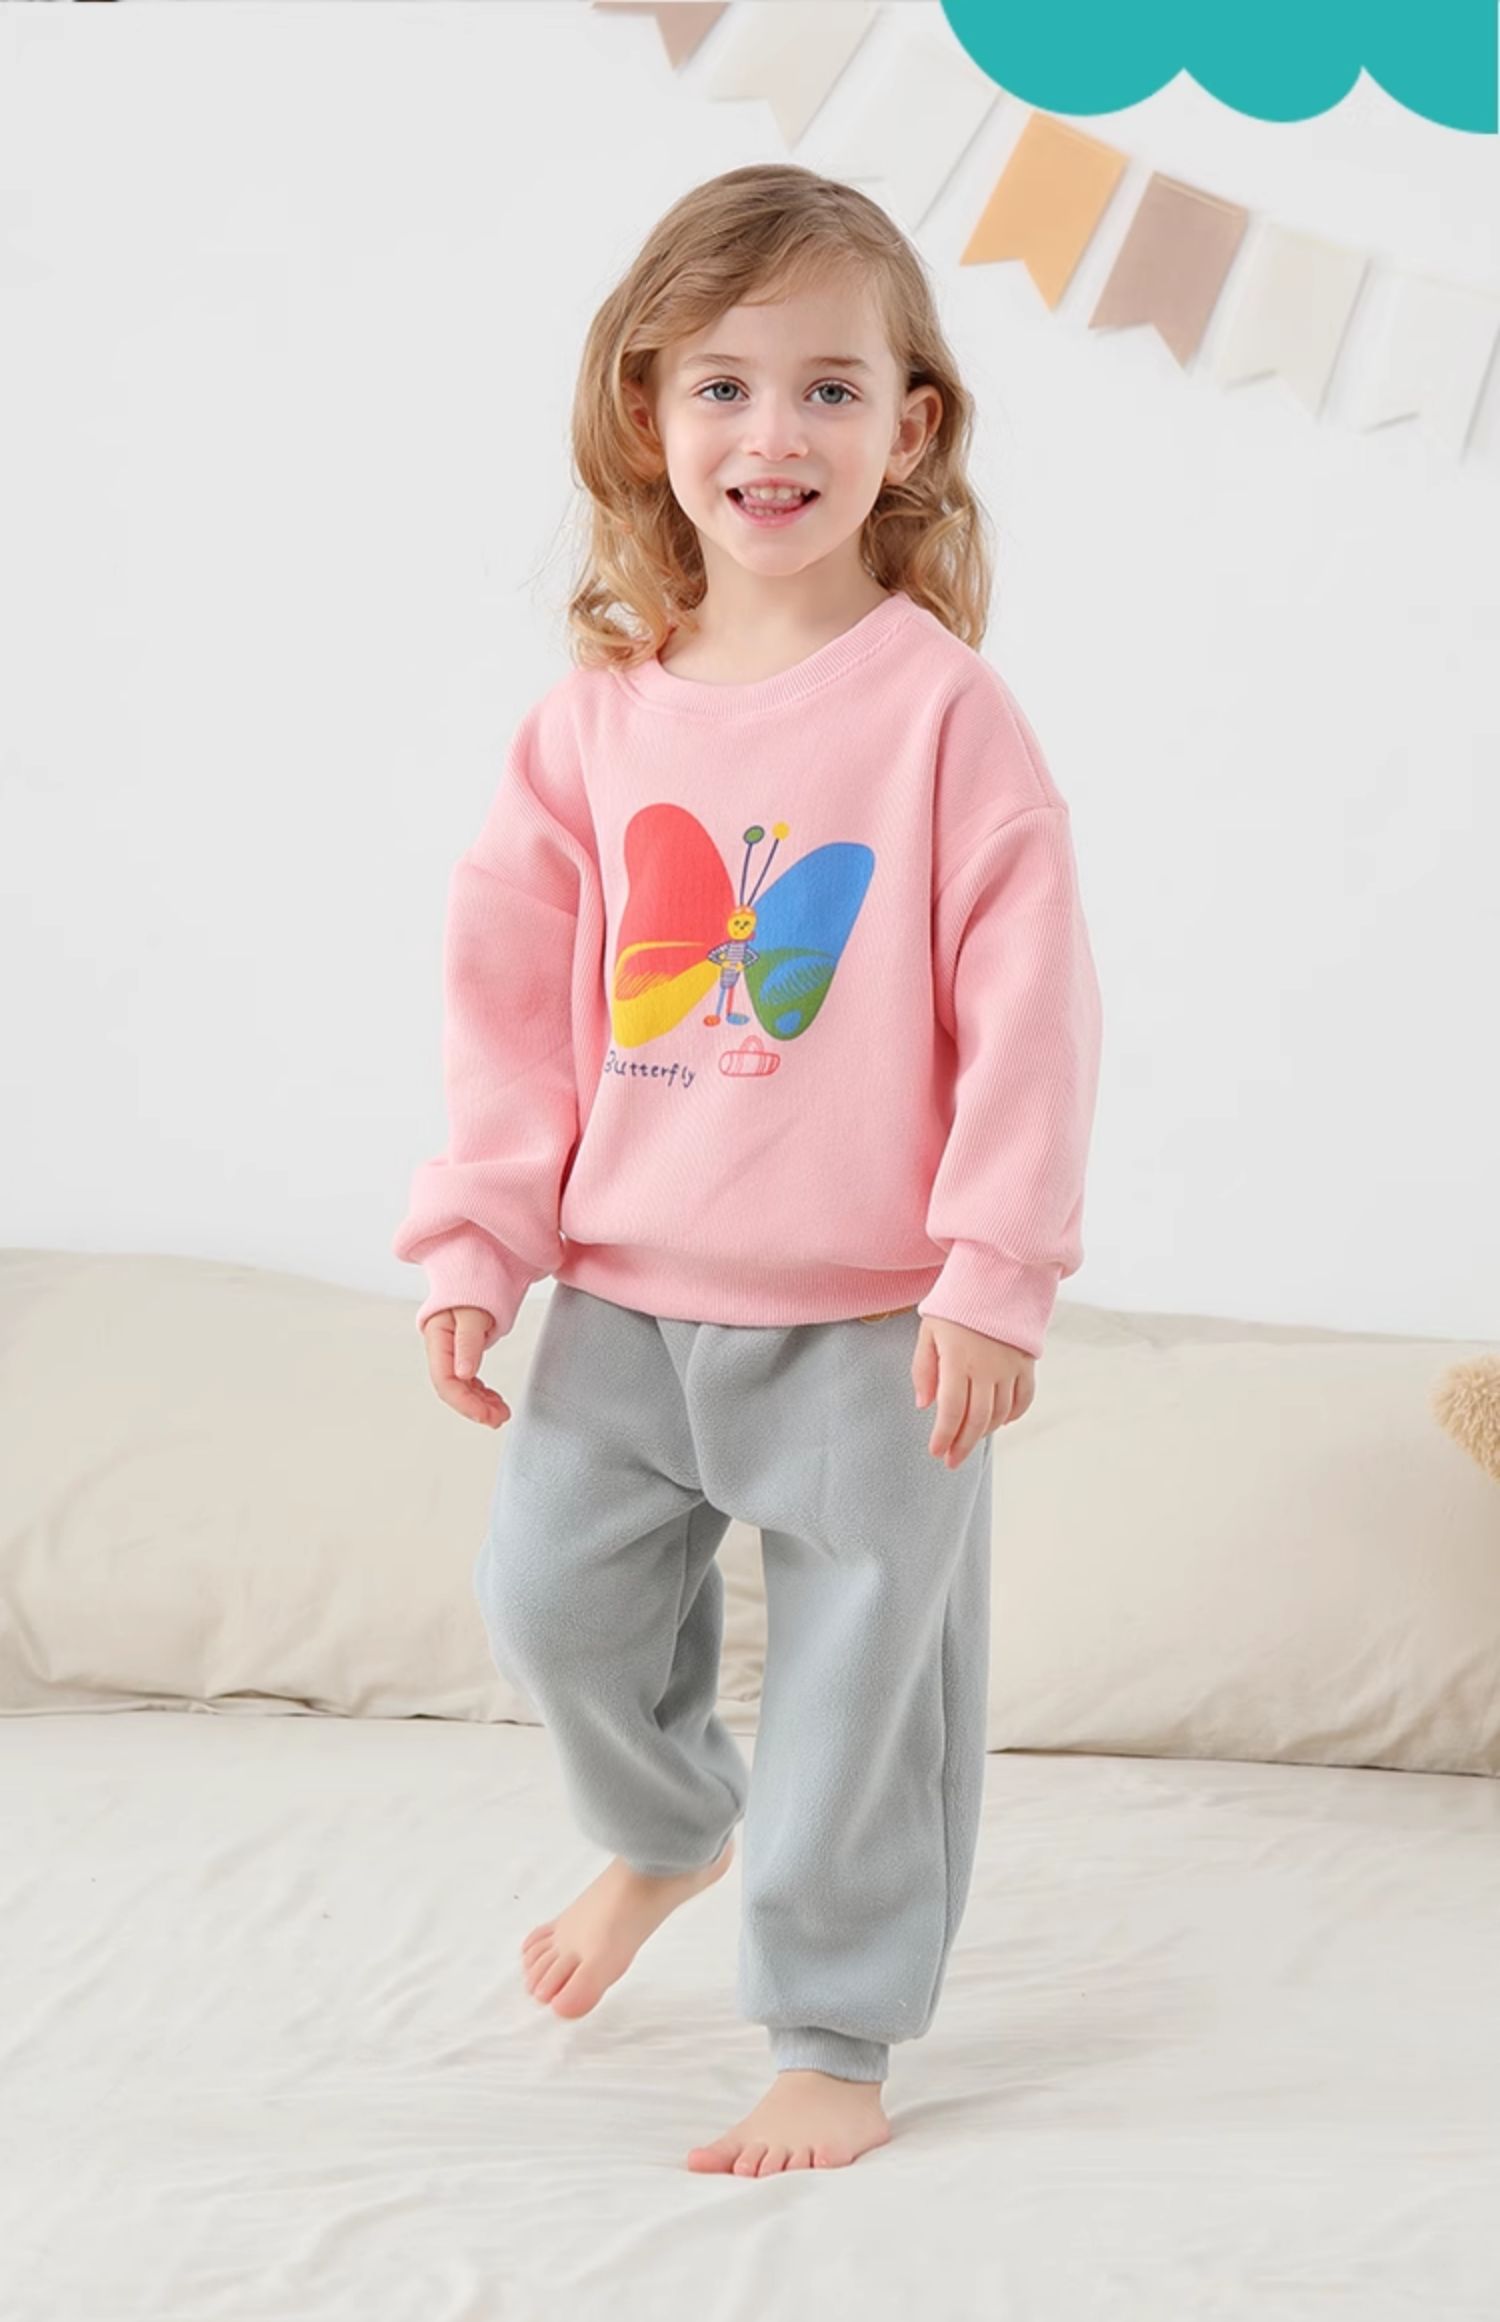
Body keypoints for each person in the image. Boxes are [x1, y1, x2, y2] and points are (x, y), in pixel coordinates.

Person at [391, 161, 1104, 2176]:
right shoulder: (591, 727)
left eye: (826, 388)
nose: (770, 433)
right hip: (624, 1297)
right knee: (548, 1602)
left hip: (877, 1321)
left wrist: (994, 1270)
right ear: (648, 416)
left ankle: (833, 2034)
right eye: (720, 384)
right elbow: (510, 1010)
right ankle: (663, 1823)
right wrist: (477, 1239)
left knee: (869, 1688)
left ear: (910, 427)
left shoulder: (947, 718)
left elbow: (1034, 1013)